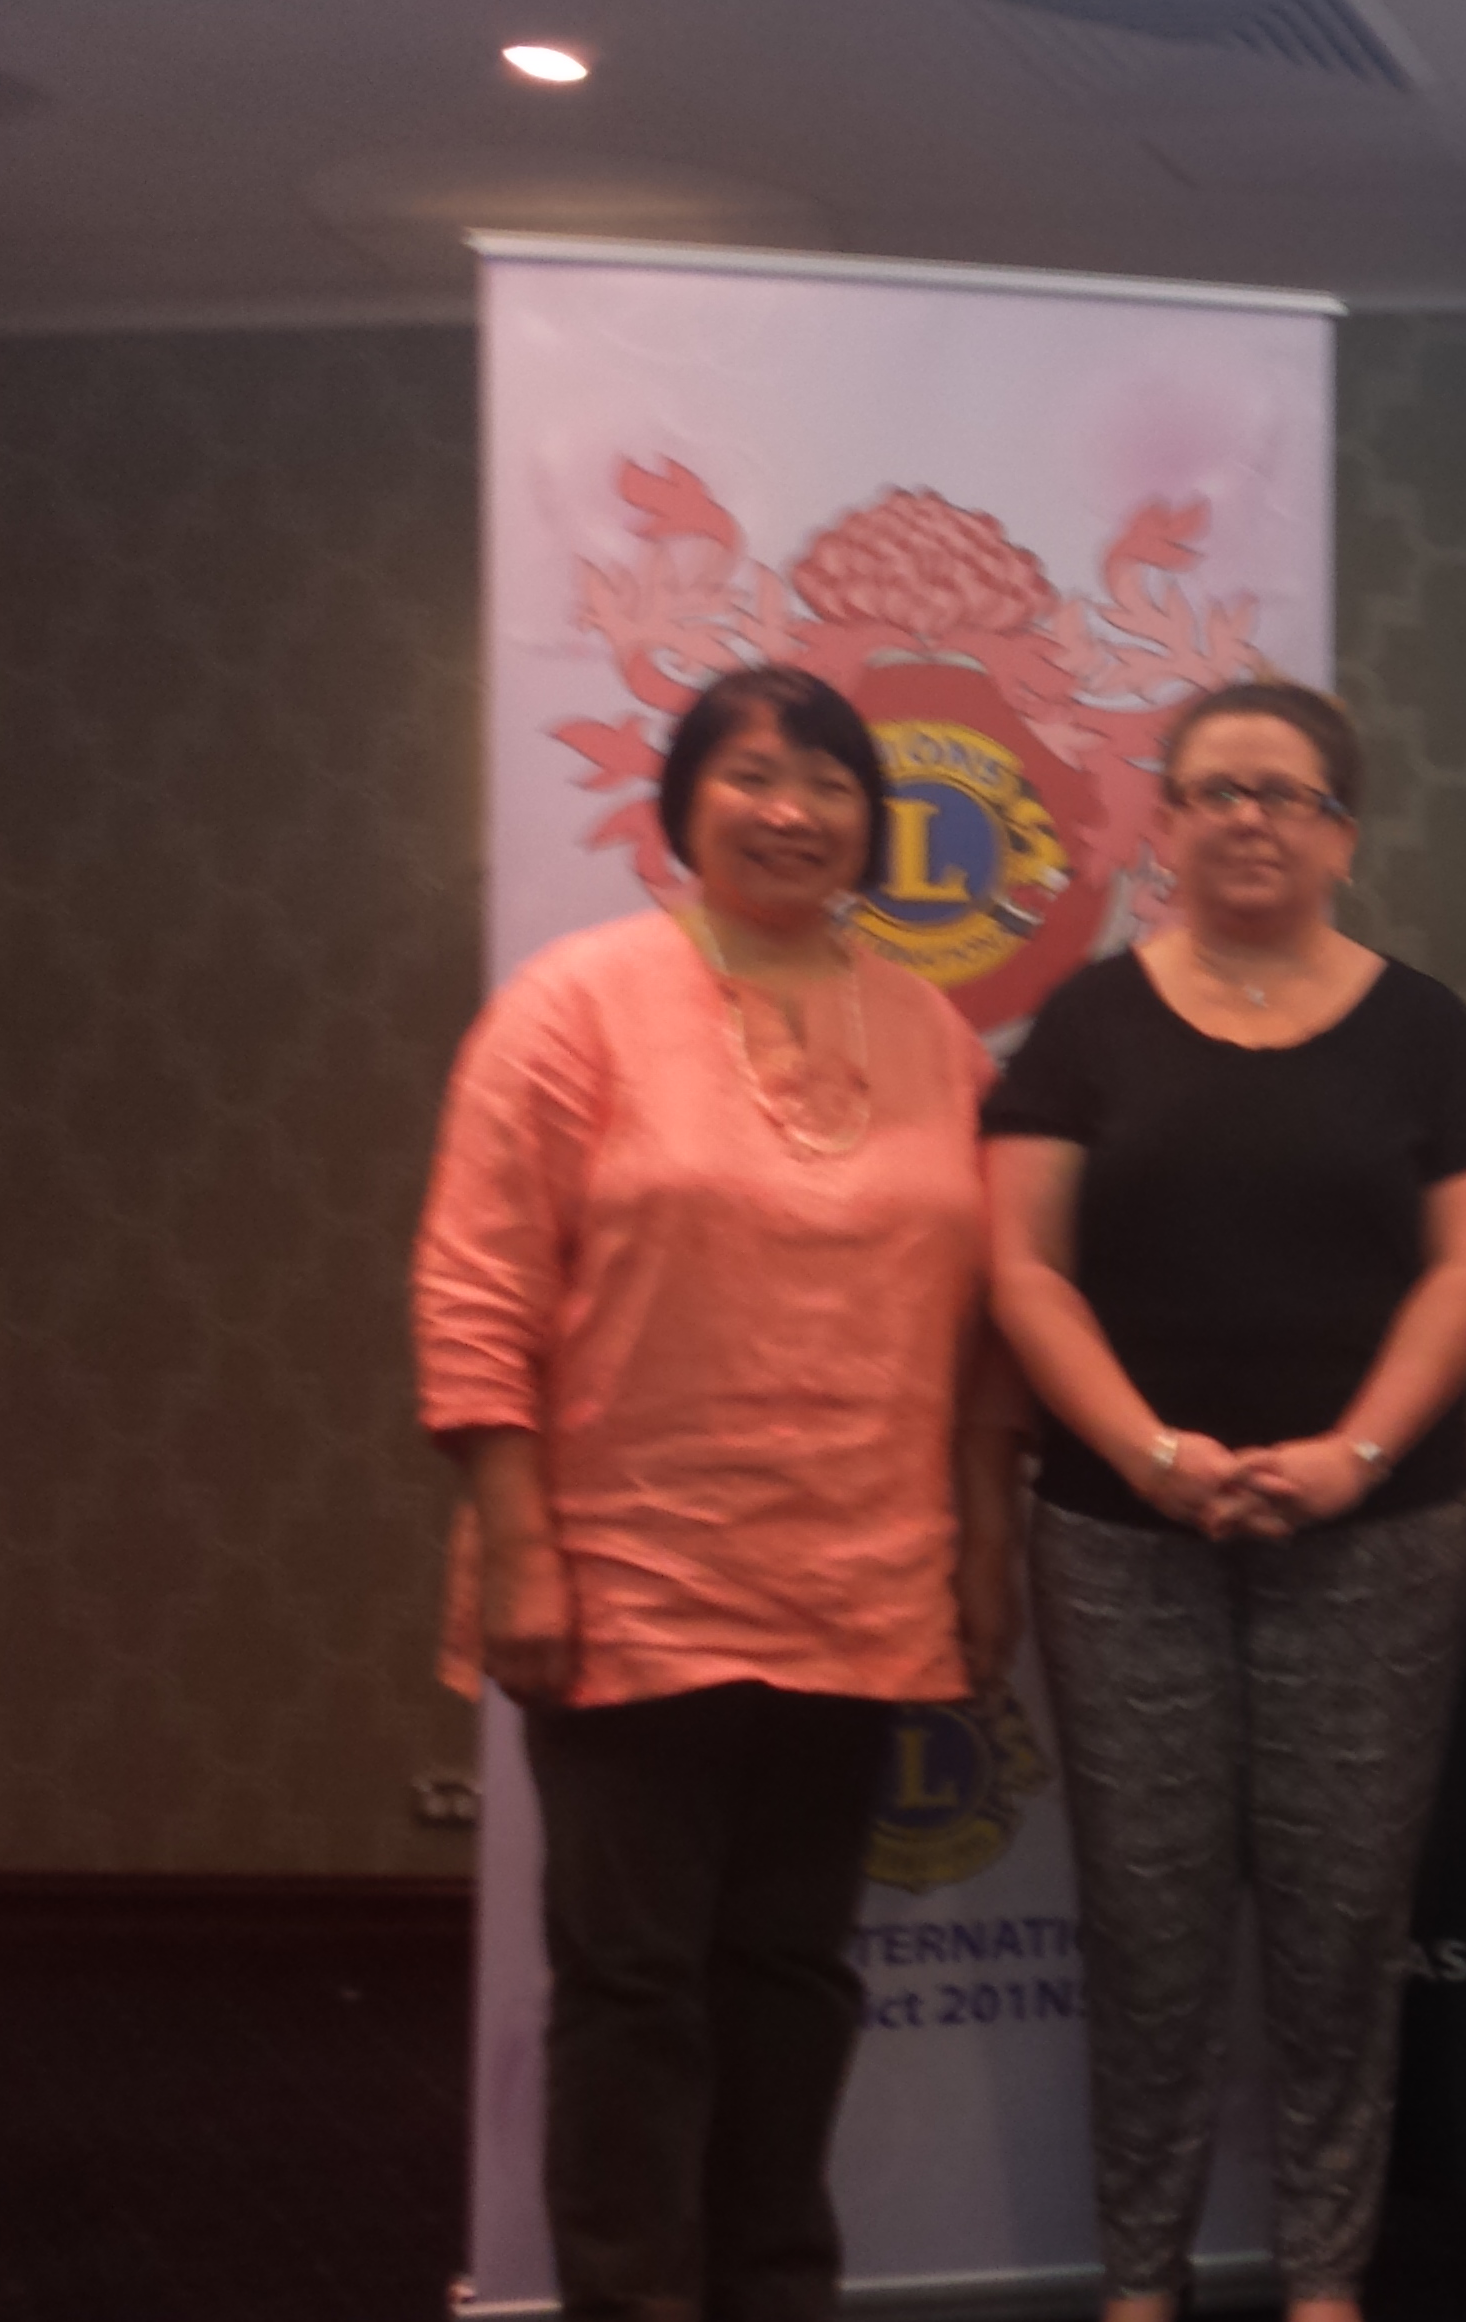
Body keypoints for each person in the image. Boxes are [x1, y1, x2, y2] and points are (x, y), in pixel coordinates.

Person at [414, 663, 1015, 2322]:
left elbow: (990, 1319)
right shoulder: (573, 1002)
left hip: (857, 1583)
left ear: (872, 823)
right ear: (683, 803)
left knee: (792, 1979)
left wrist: (983, 1538)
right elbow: (475, 1290)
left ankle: (775, 2291)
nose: (791, 810)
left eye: (828, 781)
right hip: (624, 1582)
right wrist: (523, 1546)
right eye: (752, 774)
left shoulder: (934, 1034)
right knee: (633, 1988)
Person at [981, 679, 1466, 2322]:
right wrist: (1151, 1452)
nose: (1249, 818)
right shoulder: (1085, 1026)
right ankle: (1140, 2277)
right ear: (1163, 823)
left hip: (1379, 1538)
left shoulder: (1425, 1031)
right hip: (1120, 1538)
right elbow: (1022, 1267)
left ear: (1343, 835)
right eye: (1215, 789)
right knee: (1147, 1927)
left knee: (1340, 1925)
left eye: (1287, 793)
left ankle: (1324, 2275)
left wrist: (1355, 1451)